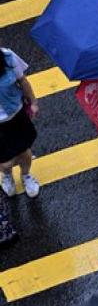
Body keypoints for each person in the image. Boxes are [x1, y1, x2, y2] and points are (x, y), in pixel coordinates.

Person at [0, 48, 40, 199]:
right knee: (5, 163)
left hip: (16, 115)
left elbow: (22, 80)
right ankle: (7, 175)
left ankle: (26, 175)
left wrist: (33, 102)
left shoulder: (8, 56)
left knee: (24, 152)